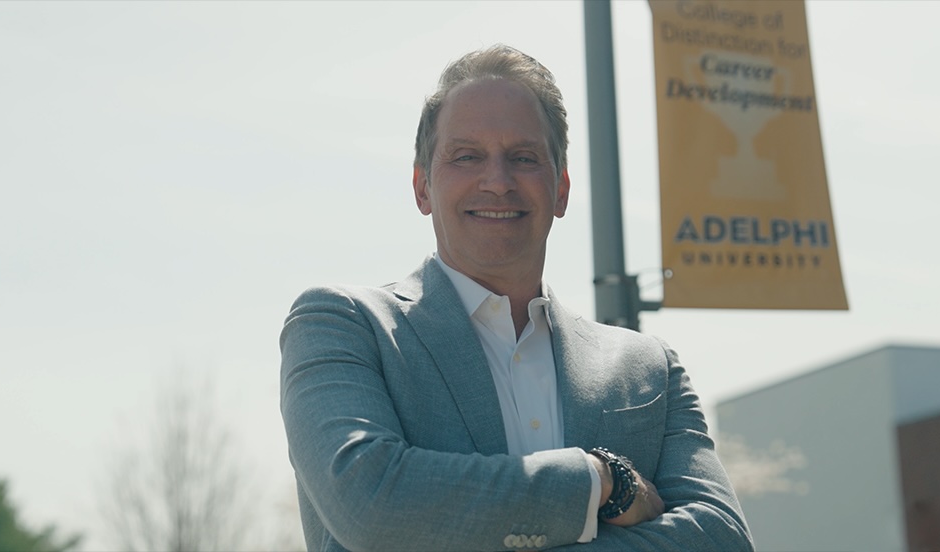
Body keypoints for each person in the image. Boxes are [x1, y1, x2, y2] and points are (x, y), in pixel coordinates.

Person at [280, 44, 753, 552]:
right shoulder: (343, 327)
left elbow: (723, 539)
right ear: (421, 188)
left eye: (523, 158)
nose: (497, 181)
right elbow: (370, 507)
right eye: (467, 156)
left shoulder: (647, 369)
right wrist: (603, 482)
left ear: (561, 190)